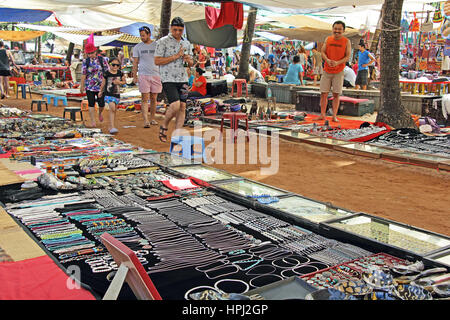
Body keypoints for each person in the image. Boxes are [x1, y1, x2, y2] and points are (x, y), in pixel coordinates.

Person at [155, 17, 193, 142]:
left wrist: (189, 60)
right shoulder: (162, 42)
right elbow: (157, 60)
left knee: (182, 106)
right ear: (171, 28)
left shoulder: (187, 43)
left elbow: (191, 62)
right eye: (175, 29)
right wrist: (175, 56)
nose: (177, 32)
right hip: (168, 77)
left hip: (183, 78)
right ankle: (165, 124)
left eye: (180, 30)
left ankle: (177, 135)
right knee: (175, 105)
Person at [319, 20, 351, 122]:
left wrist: (338, 63)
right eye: (335, 29)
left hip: (339, 71)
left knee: (336, 94)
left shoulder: (346, 41)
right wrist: (327, 60)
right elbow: (323, 52)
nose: (337, 31)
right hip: (327, 70)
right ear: (333, 29)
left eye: (339, 29)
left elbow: (347, 56)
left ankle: (334, 116)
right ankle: (322, 114)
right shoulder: (328, 39)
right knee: (323, 93)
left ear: (343, 30)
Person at [132, 25, 162, 128]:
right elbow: (135, 62)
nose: (142, 37)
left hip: (156, 74)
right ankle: (145, 120)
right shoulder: (137, 47)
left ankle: (152, 118)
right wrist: (134, 75)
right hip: (143, 75)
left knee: (154, 98)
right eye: (141, 36)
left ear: (149, 34)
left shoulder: (157, 45)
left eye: (143, 35)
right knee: (144, 98)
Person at [80, 42, 109, 127]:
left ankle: (100, 113)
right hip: (89, 86)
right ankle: (93, 121)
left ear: (95, 51)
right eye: (88, 53)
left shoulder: (102, 60)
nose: (90, 55)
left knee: (101, 103)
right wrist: (82, 85)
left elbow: (107, 71)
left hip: (101, 86)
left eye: (91, 53)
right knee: (91, 103)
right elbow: (84, 73)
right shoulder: (86, 61)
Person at [99, 57, 126, 134]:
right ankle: (112, 127)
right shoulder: (106, 73)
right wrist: (100, 91)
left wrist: (119, 82)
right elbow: (103, 83)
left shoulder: (120, 73)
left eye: (117, 65)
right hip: (108, 94)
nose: (115, 67)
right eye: (113, 65)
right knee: (112, 108)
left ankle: (111, 125)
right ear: (109, 64)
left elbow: (124, 82)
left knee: (114, 110)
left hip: (117, 94)